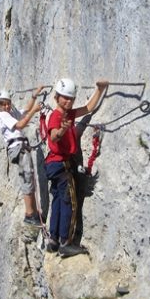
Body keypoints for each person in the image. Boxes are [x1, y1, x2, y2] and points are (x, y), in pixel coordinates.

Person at [45, 78, 109, 257]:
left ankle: (54, 240)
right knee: (70, 203)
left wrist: (99, 89)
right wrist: (63, 130)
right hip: (61, 164)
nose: (68, 101)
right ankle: (66, 242)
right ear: (57, 97)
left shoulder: (69, 114)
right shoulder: (57, 116)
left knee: (58, 201)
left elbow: (88, 108)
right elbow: (54, 136)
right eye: (64, 98)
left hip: (54, 165)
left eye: (71, 99)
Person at [0, 87, 44, 226]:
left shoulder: (10, 113)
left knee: (29, 179)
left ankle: (33, 213)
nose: (6, 106)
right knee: (27, 179)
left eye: (8, 103)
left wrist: (34, 96)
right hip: (18, 148)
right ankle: (29, 214)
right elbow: (21, 124)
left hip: (20, 148)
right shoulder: (3, 115)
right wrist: (35, 110)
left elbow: (26, 110)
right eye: (3, 104)